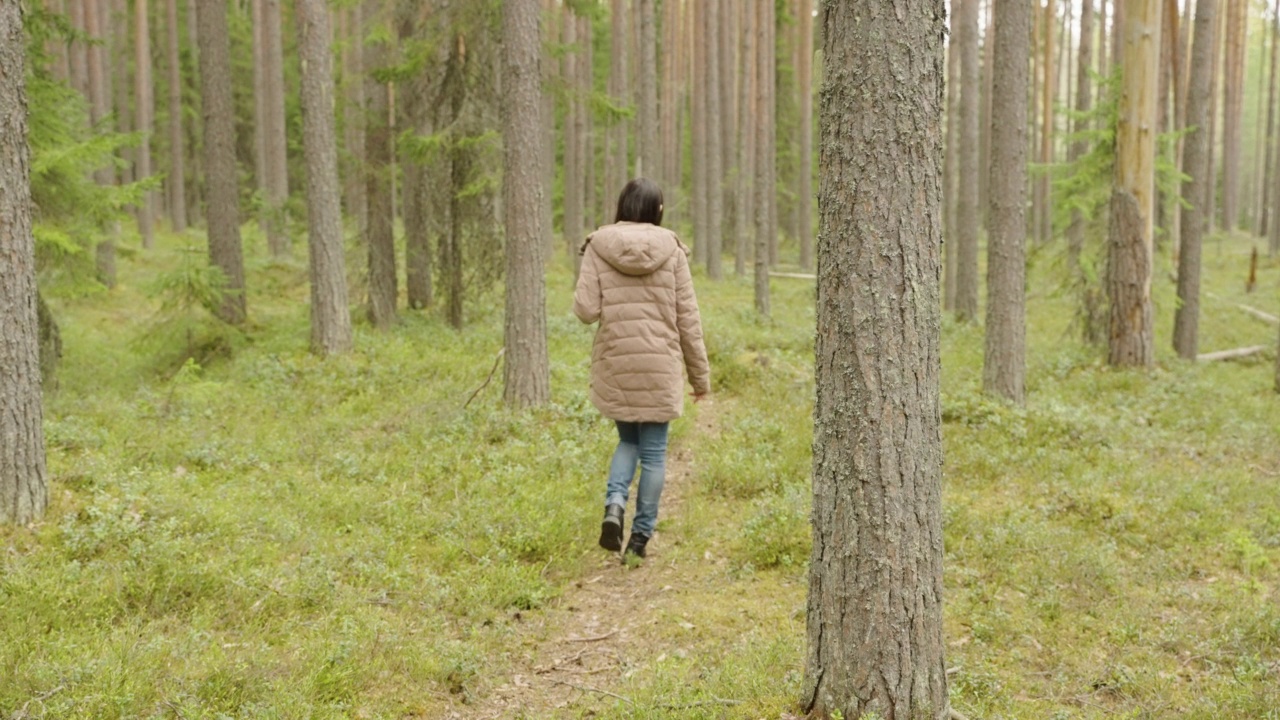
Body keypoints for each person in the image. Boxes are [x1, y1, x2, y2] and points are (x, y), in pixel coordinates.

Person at [573, 178, 710, 563]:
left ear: (622, 205)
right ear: (657, 210)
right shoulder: (674, 250)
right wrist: (700, 379)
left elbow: (585, 312)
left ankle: (614, 505)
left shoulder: (598, 246)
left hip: (617, 360)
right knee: (653, 454)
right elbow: (689, 321)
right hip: (660, 365)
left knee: (627, 442)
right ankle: (639, 538)